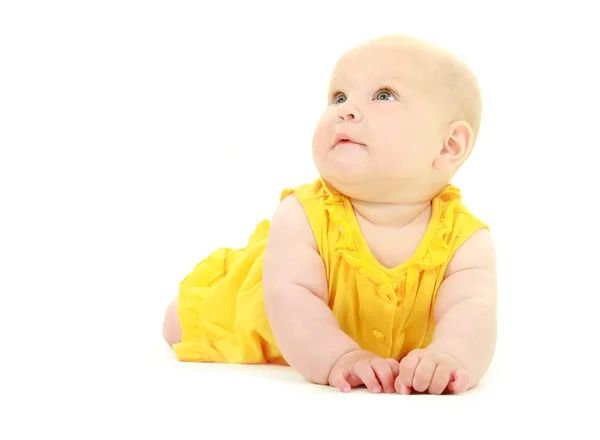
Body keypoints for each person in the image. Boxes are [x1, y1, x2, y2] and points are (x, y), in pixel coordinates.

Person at [162, 33, 497, 395]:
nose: (345, 109)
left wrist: (450, 357)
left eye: (384, 95)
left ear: (450, 145)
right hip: (273, 321)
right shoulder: (302, 216)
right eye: (338, 97)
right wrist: (340, 356)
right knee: (179, 322)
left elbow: (472, 312)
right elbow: (292, 299)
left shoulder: (466, 240)